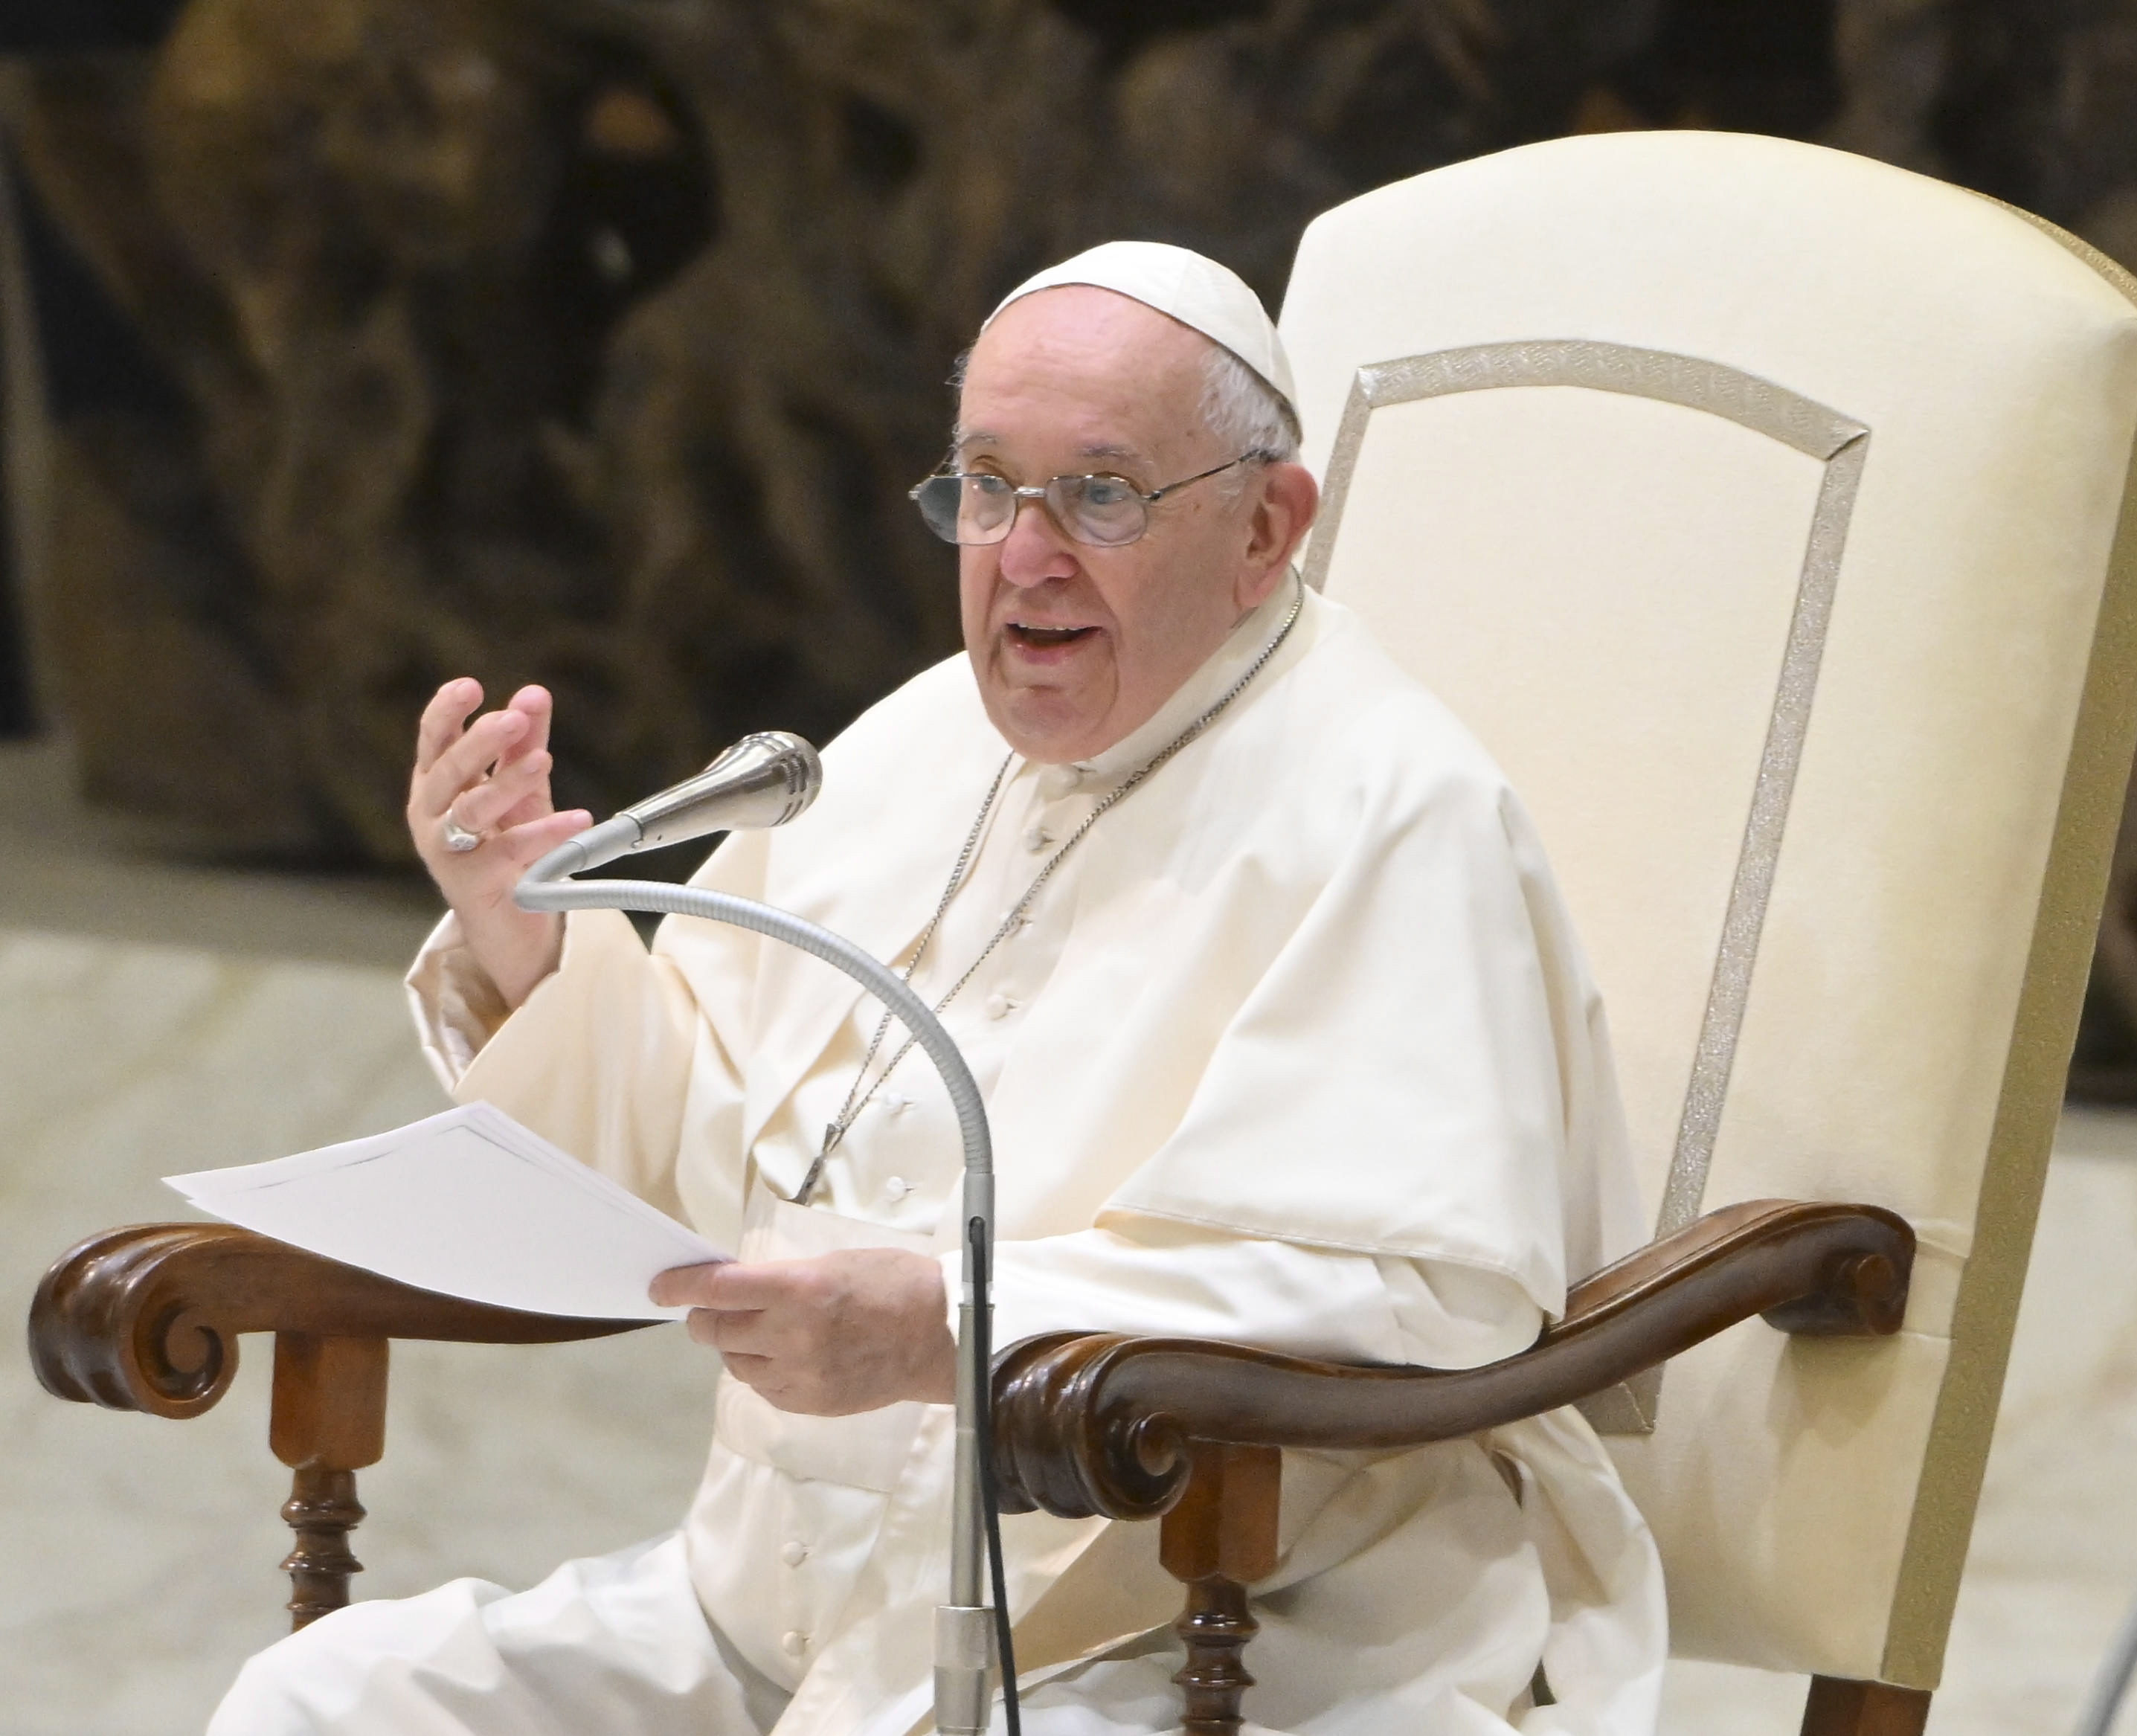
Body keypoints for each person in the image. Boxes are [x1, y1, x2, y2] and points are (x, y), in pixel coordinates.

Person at [210, 242, 1665, 1735]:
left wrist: (956, 1325)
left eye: (1100, 493)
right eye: (984, 484)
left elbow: (1427, 1296)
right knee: (331, 1702)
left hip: (1199, 1633)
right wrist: (521, 937)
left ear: (1265, 526)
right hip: (788, 1613)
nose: (1023, 554)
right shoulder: (905, 751)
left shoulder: (1392, 807)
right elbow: (704, 1161)